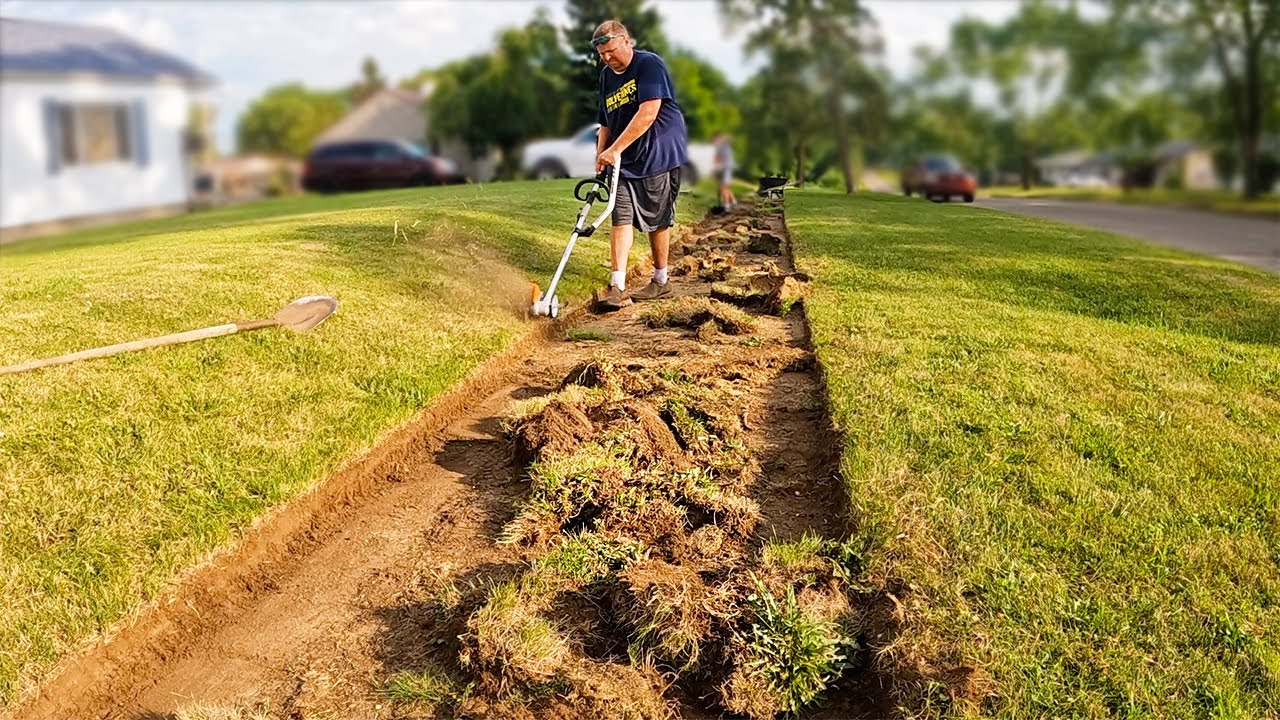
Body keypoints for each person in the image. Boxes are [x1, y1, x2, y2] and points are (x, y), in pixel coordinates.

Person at [591, 20, 688, 308]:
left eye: (610, 51)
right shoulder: (607, 77)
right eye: (602, 55)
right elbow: (604, 124)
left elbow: (649, 112)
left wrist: (615, 150)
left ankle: (661, 280)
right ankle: (617, 285)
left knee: (657, 218)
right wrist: (602, 156)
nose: (607, 58)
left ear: (626, 41)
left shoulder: (649, 65)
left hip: (657, 151)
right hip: (625, 158)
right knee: (620, 217)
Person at [712, 132, 737, 210]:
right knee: (725, 186)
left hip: (725, 168)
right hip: (727, 167)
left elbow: (717, 159)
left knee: (723, 187)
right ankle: (733, 201)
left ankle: (726, 206)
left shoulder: (720, 146)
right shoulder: (724, 145)